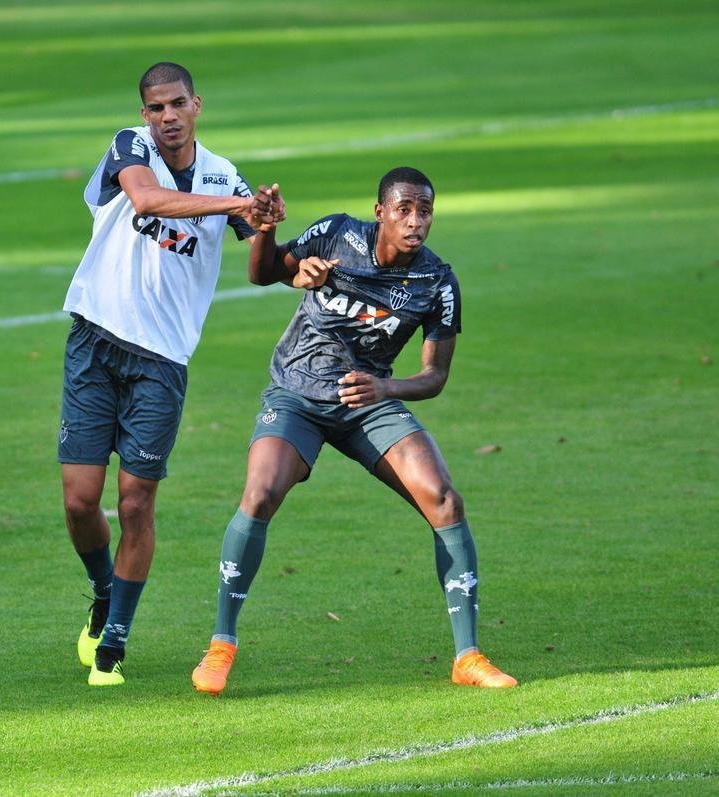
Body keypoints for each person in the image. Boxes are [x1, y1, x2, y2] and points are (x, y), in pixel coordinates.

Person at [190, 167, 517, 694]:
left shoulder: (437, 283)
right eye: (405, 210)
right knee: (259, 493)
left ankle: (468, 656)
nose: (415, 222)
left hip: (367, 402)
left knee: (444, 500)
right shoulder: (336, 234)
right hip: (297, 393)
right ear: (380, 212)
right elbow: (265, 272)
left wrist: (384, 390)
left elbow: (434, 377)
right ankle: (221, 645)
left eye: (425, 211)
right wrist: (273, 237)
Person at [59, 61, 284, 686]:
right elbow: (146, 199)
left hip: (161, 361)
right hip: (96, 341)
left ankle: (116, 641)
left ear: (197, 105)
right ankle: (103, 589)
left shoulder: (221, 173)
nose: (167, 117)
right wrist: (242, 203)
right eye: (156, 107)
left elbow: (259, 265)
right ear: (144, 114)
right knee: (80, 502)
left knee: (136, 502)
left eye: (177, 104)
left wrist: (263, 225)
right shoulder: (130, 149)